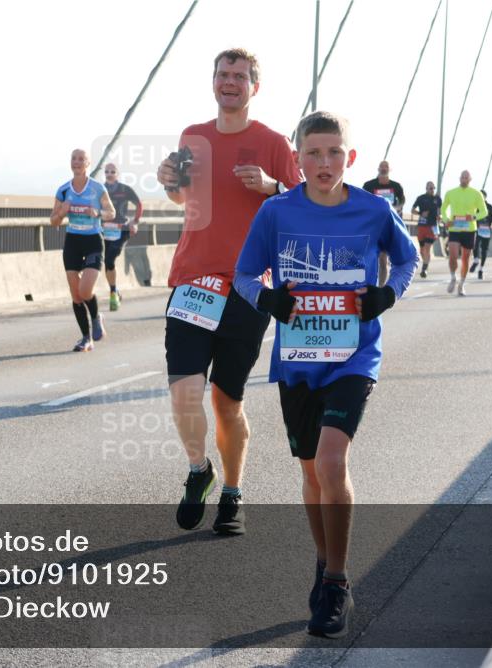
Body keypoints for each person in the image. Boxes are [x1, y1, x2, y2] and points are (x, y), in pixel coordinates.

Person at [234, 110, 418, 638]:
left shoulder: (374, 210)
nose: (324, 162)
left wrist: (386, 295)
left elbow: (407, 261)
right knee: (312, 472)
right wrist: (269, 299)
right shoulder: (275, 212)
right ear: (296, 159)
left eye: (334, 152)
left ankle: (337, 583)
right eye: (313, 153)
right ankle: (324, 558)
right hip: (297, 360)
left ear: (350, 157)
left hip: (353, 357)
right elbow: (245, 274)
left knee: (333, 461)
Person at [156, 47, 302, 536]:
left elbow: (305, 204)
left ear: (254, 87)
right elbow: (184, 195)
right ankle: (200, 470)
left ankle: (233, 493)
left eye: (240, 76)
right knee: (184, 393)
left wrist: (271, 185)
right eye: (223, 74)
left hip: (247, 286)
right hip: (193, 281)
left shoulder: (274, 143)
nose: (230, 82)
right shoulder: (192, 136)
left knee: (226, 401)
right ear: (213, 81)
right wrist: (169, 183)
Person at [50, 149, 116, 351]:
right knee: (76, 295)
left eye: (81, 159)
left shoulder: (97, 188)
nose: (77, 162)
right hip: (73, 242)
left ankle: (96, 317)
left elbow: (111, 213)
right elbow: (53, 221)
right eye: (74, 159)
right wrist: (62, 212)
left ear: (88, 163)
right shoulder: (63, 190)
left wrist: (97, 212)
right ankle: (86, 338)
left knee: (85, 290)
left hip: (93, 241)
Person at [102, 163, 142, 310]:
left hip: (122, 230)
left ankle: (113, 292)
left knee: (110, 258)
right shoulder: (101, 189)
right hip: (104, 230)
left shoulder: (125, 189)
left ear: (117, 174)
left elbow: (139, 204)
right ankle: (114, 291)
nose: (109, 174)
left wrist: (135, 221)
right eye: (107, 171)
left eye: (112, 171)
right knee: (108, 262)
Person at [440, 170, 486, 296]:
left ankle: (461, 284)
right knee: (453, 256)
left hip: (469, 230)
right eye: (462, 177)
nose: (464, 179)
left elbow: (484, 211)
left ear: (470, 179)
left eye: (466, 177)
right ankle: (453, 277)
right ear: (459, 178)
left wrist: (473, 217)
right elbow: (443, 209)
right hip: (454, 229)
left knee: (465, 258)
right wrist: (446, 220)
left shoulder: (476, 193)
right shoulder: (451, 192)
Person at [362, 161, 405, 285]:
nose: (384, 168)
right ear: (378, 168)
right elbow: (362, 201)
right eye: (382, 166)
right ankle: (368, 283)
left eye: (386, 166)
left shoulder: (396, 186)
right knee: (369, 258)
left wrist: (396, 208)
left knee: (383, 259)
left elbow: (402, 200)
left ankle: (380, 288)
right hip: (372, 225)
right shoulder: (369, 185)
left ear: (390, 169)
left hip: (387, 225)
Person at [411, 181, 441, 277]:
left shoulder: (438, 199)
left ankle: (424, 269)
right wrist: (420, 213)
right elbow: (412, 210)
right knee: (422, 250)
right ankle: (425, 263)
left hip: (432, 227)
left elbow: (439, 211)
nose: (432, 190)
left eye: (433, 188)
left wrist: (439, 217)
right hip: (422, 226)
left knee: (427, 248)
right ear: (426, 188)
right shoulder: (421, 198)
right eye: (430, 188)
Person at [469, 189, 492, 279]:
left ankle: (481, 269)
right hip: (477, 229)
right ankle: (476, 260)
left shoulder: (489, 207)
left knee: (484, 250)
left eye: (482, 195)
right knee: (475, 245)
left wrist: (489, 224)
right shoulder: (474, 206)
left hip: (486, 231)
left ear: (485, 197)